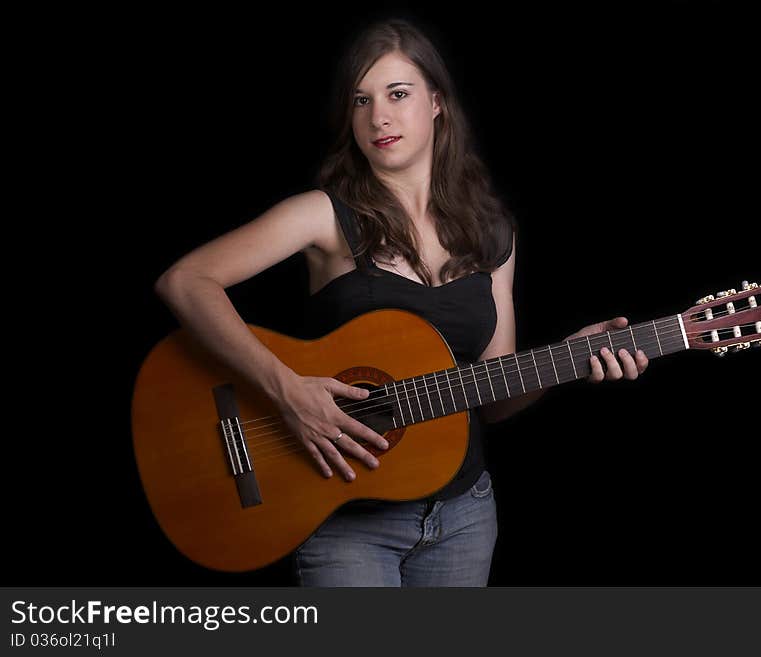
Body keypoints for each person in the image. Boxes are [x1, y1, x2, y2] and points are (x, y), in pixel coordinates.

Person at [153, 17, 649, 587]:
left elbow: (493, 395)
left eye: (397, 94)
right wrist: (287, 392)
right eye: (361, 100)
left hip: (464, 517)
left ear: (437, 101)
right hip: (344, 520)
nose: (378, 117)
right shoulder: (324, 216)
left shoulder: (494, 236)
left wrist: (568, 360)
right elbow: (185, 281)